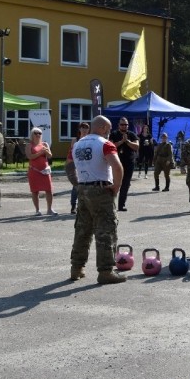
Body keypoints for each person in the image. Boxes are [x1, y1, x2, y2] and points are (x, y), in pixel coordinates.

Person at [69, 115, 126, 284]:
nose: (109, 132)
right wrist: (116, 187)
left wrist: (77, 185)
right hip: (101, 189)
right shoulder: (105, 144)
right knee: (106, 230)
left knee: (82, 230)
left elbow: (69, 166)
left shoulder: (77, 144)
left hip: (83, 188)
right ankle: (106, 271)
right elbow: (117, 166)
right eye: (107, 129)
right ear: (101, 128)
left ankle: (76, 268)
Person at [25, 128, 57, 215]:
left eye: (40, 133)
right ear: (32, 135)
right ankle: (37, 210)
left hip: (45, 171)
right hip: (34, 171)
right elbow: (30, 157)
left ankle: (49, 209)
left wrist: (46, 151)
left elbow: (50, 156)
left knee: (49, 190)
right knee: (35, 191)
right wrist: (40, 153)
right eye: (36, 133)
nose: (38, 135)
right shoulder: (29, 145)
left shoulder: (45, 144)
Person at [109, 117, 138, 211]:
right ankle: (111, 204)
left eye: (126, 124)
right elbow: (111, 146)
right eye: (122, 124)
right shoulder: (114, 134)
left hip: (129, 162)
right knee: (114, 183)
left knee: (125, 184)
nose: (124, 126)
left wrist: (127, 141)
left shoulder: (132, 134)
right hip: (117, 162)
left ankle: (121, 205)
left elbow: (136, 146)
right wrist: (122, 141)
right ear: (118, 125)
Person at [66, 122, 91, 214]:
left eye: (86, 128)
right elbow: (75, 151)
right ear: (79, 129)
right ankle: (73, 205)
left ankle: (85, 205)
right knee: (76, 185)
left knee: (88, 185)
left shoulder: (90, 139)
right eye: (83, 127)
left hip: (87, 164)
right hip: (75, 164)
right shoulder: (75, 140)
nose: (84, 129)